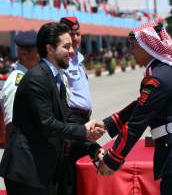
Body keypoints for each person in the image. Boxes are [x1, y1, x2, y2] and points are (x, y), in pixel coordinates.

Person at [96, 23, 172, 195]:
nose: (130, 50)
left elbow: (137, 123)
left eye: (133, 46)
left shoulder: (157, 77)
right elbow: (141, 105)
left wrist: (111, 160)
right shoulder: (167, 69)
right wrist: (106, 124)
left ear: (147, 47)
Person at [0, 22, 105, 195]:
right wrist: (84, 131)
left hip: (45, 170)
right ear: (50, 49)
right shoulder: (36, 79)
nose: (72, 51)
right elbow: (47, 124)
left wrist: (94, 148)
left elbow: (67, 119)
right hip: (27, 172)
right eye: (66, 46)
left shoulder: (55, 77)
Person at [58, 16, 95, 195]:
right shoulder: (61, 60)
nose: (75, 38)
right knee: (70, 175)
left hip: (84, 119)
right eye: (71, 34)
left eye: (78, 34)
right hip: (71, 120)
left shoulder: (78, 59)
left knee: (82, 171)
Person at [0, 31, 40, 143]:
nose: (42, 56)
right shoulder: (16, 83)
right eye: (38, 52)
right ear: (23, 54)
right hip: (23, 153)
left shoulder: (31, 78)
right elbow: (12, 126)